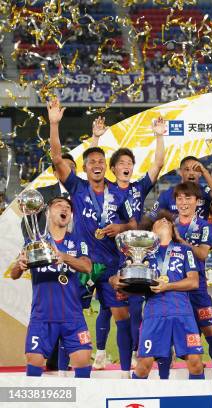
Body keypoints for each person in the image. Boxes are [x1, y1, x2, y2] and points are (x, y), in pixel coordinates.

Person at [48, 98, 136, 378]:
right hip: (81, 263)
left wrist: (120, 229)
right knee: (69, 315)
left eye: (100, 161)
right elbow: (56, 158)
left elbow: (133, 222)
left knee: (122, 317)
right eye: (91, 162)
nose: (96, 164)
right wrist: (54, 124)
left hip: (111, 265)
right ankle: (63, 373)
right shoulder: (76, 185)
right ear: (85, 168)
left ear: (105, 167)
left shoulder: (119, 192)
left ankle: (124, 373)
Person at [89, 115, 166, 370]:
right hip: (106, 257)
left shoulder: (137, 188)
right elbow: (91, 170)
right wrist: (96, 139)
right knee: (108, 308)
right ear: (113, 169)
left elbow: (158, 164)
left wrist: (159, 135)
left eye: (129, 163)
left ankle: (133, 353)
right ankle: (100, 352)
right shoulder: (107, 187)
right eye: (121, 162)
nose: (126, 165)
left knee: (134, 308)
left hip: (134, 257)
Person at [110, 211, 205, 379]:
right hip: (154, 314)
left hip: (183, 313)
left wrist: (167, 286)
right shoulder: (141, 251)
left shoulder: (184, 250)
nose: (163, 220)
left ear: (173, 228)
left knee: (196, 364)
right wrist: (115, 281)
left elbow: (194, 281)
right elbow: (120, 278)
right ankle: (133, 402)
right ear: (151, 231)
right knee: (144, 365)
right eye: (159, 220)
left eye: (167, 220)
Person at [11, 197, 93, 378]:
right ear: (48, 211)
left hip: (72, 315)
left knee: (83, 360)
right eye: (59, 205)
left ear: (70, 215)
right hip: (42, 315)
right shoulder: (34, 242)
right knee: (34, 361)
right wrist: (20, 264)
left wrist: (64, 257)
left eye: (68, 208)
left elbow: (87, 267)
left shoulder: (78, 241)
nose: (64, 209)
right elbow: (14, 274)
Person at [18, 153, 76, 374]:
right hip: (46, 260)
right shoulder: (42, 195)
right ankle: (51, 361)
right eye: (64, 166)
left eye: (72, 167)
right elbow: (28, 223)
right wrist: (33, 248)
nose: (68, 170)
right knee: (49, 305)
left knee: (74, 306)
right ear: (55, 171)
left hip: (74, 256)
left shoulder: (80, 194)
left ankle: (64, 359)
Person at [170, 181, 212, 379]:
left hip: (198, 290)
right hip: (176, 291)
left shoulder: (204, 226)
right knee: (186, 341)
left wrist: (180, 241)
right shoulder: (169, 225)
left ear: (197, 201)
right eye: (179, 198)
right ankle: (187, 382)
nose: (183, 202)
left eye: (188, 198)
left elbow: (202, 254)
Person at [143, 155, 212, 226]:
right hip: (175, 239)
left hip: (200, 238)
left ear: (200, 173)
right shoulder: (167, 194)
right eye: (187, 169)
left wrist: (205, 172)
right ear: (180, 172)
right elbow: (151, 218)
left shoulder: (206, 191)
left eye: (195, 170)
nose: (191, 173)